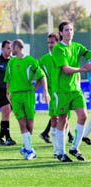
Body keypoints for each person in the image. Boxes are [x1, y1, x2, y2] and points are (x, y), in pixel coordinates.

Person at [4, 39, 50, 160]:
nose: (10, 50)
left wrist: (44, 91)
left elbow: (42, 76)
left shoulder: (31, 61)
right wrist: (7, 93)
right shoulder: (11, 62)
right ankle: (30, 150)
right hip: (15, 96)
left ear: (17, 47)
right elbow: (8, 79)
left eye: (11, 48)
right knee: (22, 123)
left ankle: (26, 146)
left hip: (28, 95)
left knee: (30, 124)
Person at [52, 21, 91, 162]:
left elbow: (87, 54)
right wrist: (84, 69)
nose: (70, 32)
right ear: (61, 33)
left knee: (83, 116)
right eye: (66, 30)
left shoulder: (77, 47)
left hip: (76, 89)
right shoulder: (58, 49)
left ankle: (74, 148)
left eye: (71, 29)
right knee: (62, 119)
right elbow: (66, 69)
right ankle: (61, 152)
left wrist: (89, 60)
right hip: (62, 90)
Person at [38, 33, 74, 158]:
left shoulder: (64, 55)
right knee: (54, 120)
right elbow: (40, 77)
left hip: (65, 92)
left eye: (52, 42)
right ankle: (56, 151)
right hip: (53, 94)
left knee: (66, 122)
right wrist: (44, 91)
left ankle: (62, 148)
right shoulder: (43, 60)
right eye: (48, 43)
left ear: (58, 42)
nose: (50, 45)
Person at [0, 40, 16, 146]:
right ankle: (8, 137)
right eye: (8, 48)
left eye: (11, 48)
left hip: (10, 91)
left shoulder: (13, 61)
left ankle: (1, 138)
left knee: (7, 113)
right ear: (2, 49)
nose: (10, 50)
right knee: (6, 110)